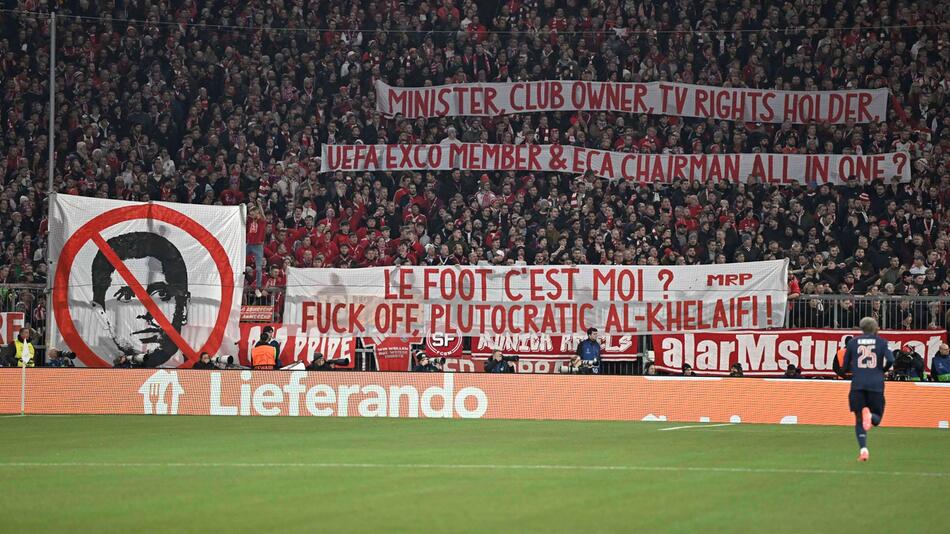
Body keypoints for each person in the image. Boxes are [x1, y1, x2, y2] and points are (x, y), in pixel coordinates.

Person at [91, 232, 191, 368]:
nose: (147, 313)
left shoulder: (198, 368)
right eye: (126, 297)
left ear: (183, 308)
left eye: (161, 294)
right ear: (101, 313)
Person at [839, 317, 894, 462]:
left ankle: (863, 450)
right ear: (875, 327)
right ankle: (870, 416)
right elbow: (891, 360)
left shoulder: (852, 342)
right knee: (877, 418)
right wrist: (882, 370)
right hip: (876, 384)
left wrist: (854, 371)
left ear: (861, 328)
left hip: (858, 384)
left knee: (858, 420)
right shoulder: (882, 342)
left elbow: (844, 367)